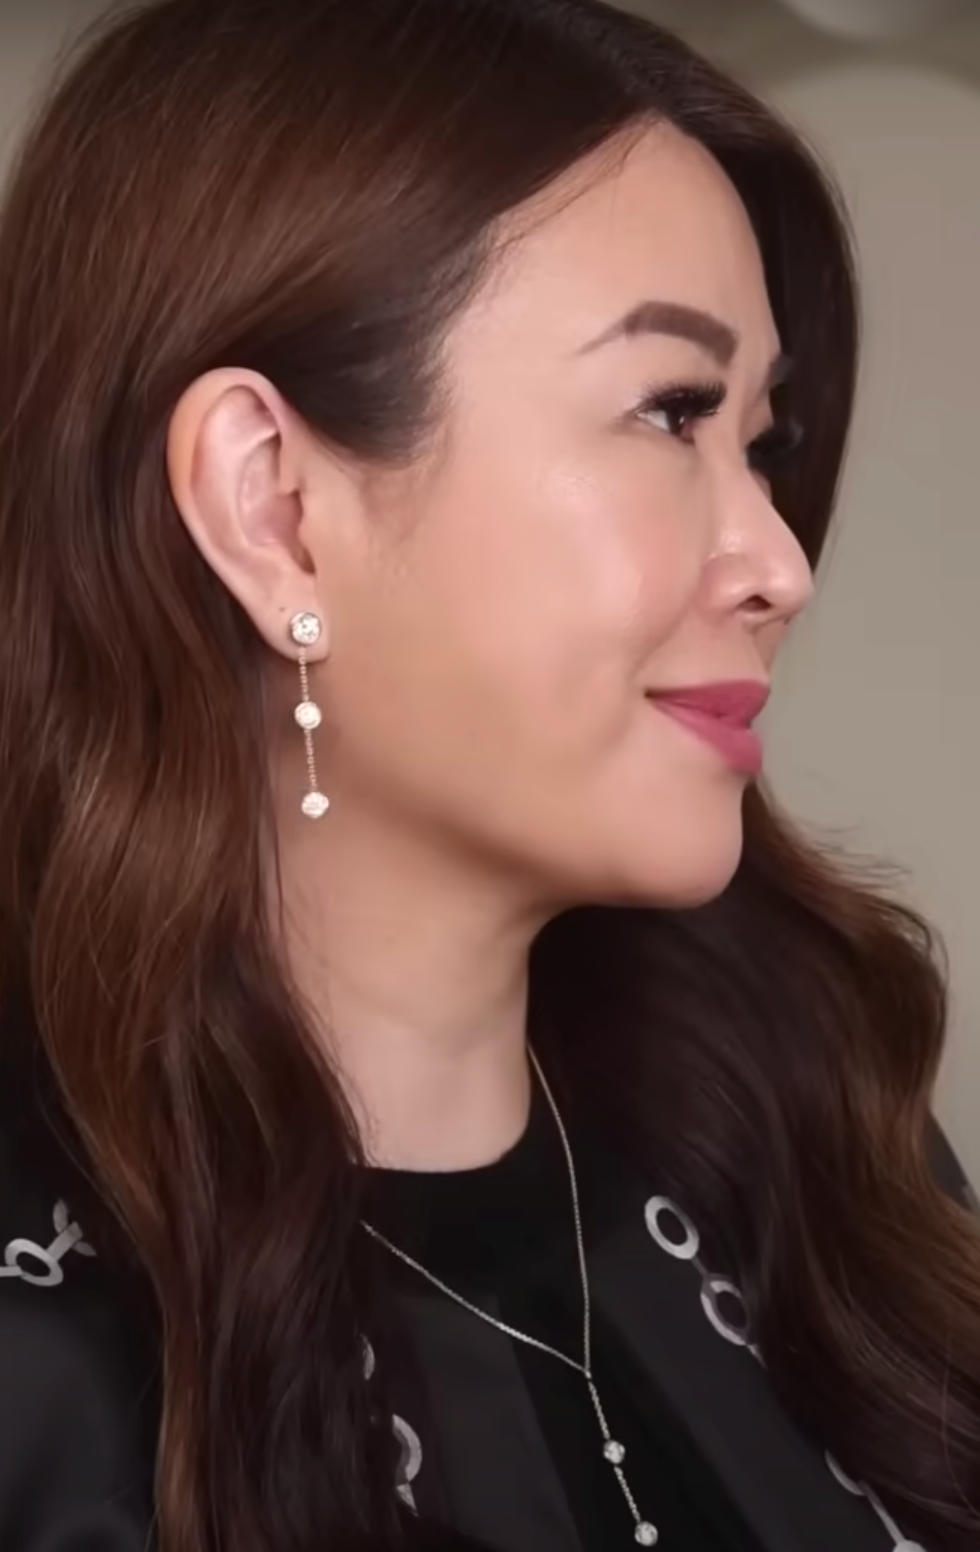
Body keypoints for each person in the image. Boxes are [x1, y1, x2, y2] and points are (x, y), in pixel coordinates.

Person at [0, 0, 977, 1548]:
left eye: (764, 441)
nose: (780, 565)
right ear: (272, 509)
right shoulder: (41, 1349)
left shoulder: (825, 1160)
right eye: (671, 411)